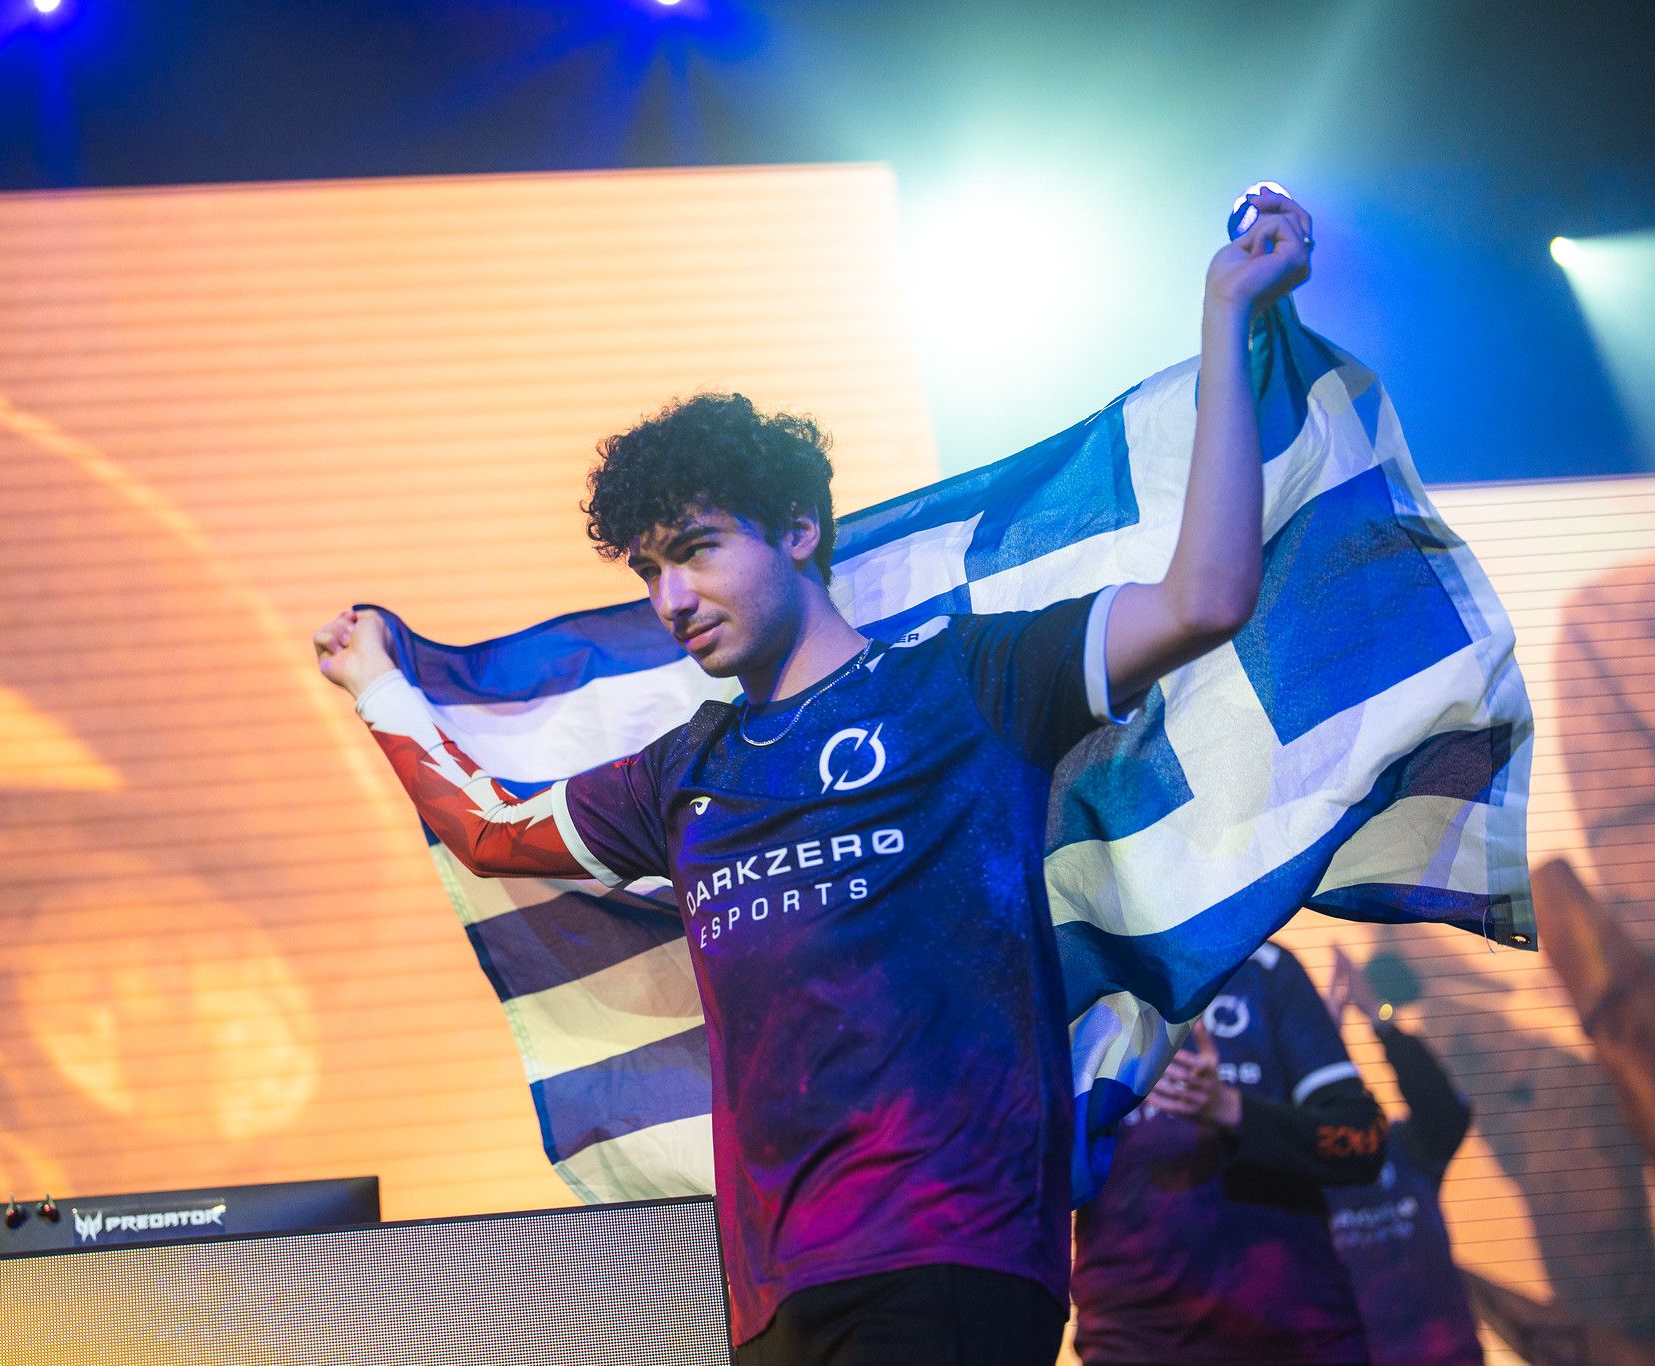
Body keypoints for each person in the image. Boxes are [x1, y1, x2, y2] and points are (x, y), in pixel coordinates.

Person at [314, 190, 1315, 1366]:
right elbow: (490, 832)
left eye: (693, 550)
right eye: (647, 570)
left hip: (951, 1248)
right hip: (773, 1294)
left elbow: (1204, 597)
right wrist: (382, 690)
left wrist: (1224, 309)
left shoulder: (972, 680)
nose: (669, 599)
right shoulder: (682, 772)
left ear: (796, 531)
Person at [1069, 941, 1389, 1366]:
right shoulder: (1084, 971)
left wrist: (1232, 1110)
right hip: (1134, 1336)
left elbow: (1363, 1140)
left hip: (1295, 1332)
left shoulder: (1265, 968)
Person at [1322, 948, 1487, 1366]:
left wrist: (1378, 1017)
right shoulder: (1294, 1166)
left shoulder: (1405, 1152)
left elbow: (1439, 1106)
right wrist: (1312, 1048)